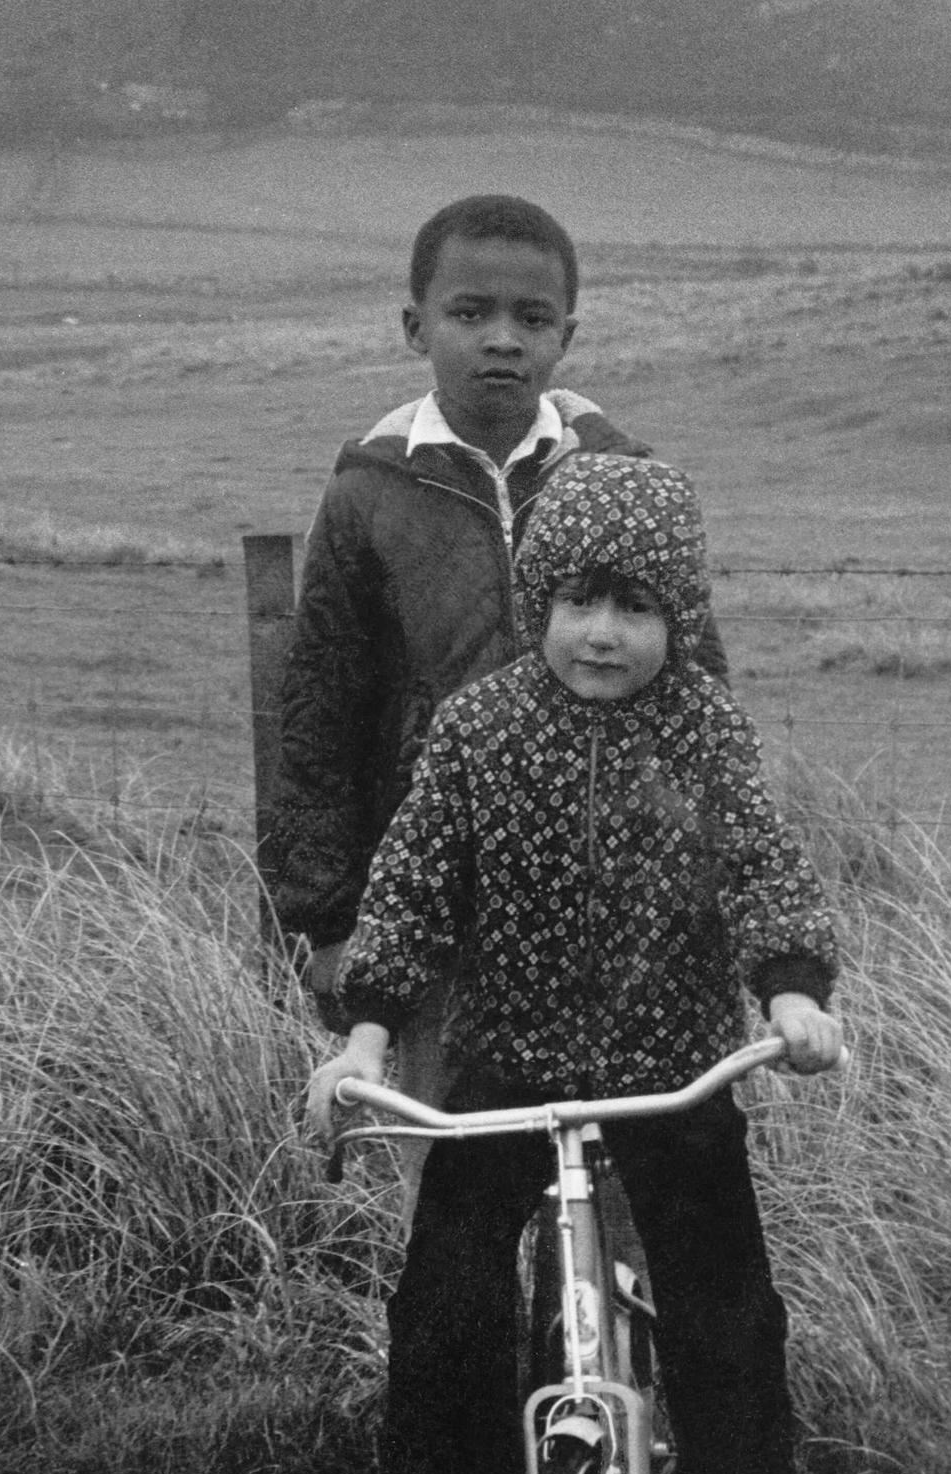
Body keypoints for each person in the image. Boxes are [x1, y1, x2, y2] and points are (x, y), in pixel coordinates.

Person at [304, 454, 842, 1474]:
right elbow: (414, 884)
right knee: (443, 1292)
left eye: (638, 608)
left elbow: (761, 866)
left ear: (678, 619)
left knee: (720, 1289)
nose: (603, 634)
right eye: (577, 603)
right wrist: (369, 1035)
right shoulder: (481, 728)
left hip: (671, 1067)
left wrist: (793, 992)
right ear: (538, 600)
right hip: (512, 1070)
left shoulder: (703, 729)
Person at [265, 194, 724, 1131]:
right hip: (432, 916)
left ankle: (615, 1286)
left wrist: (703, 884)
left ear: (569, 334)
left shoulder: (623, 477)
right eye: (470, 314)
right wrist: (331, 919)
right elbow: (320, 715)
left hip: (617, 911)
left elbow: (698, 692)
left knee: (629, 1202)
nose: (502, 340)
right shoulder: (369, 494)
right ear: (415, 326)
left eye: (533, 317)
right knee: (453, 1196)